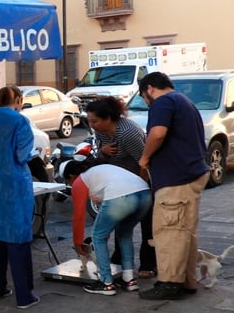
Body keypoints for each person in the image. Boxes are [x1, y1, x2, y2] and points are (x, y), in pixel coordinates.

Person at [137, 72, 210, 300]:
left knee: (169, 232)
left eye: (144, 96)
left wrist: (145, 158)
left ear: (149, 88)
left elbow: (157, 134)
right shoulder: (185, 101)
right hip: (192, 173)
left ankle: (169, 282)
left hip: (175, 178)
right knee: (185, 232)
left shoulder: (163, 102)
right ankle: (188, 281)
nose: (146, 101)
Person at [0, 86, 39, 308]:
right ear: (19, 100)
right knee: (18, 238)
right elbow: (23, 154)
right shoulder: (19, 121)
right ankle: (25, 295)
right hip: (14, 184)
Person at [86, 96, 157, 279]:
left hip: (141, 182)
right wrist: (103, 151)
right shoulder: (101, 132)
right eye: (90, 121)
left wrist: (144, 187)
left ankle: (149, 263)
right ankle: (119, 261)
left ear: (108, 118)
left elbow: (144, 161)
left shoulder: (127, 133)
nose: (92, 125)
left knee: (147, 226)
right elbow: (98, 151)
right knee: (120, 222)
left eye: (94, 121)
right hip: (120, 184)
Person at [62, 157, 152, 295]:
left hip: (122, 197)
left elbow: (78, 216)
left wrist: (78, 243)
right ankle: (129, 280)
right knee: (124, 233)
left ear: (71, 176)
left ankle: (106, 283)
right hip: (145, 194)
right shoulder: (99, 172)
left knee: (98, 236)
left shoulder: (80, 181)